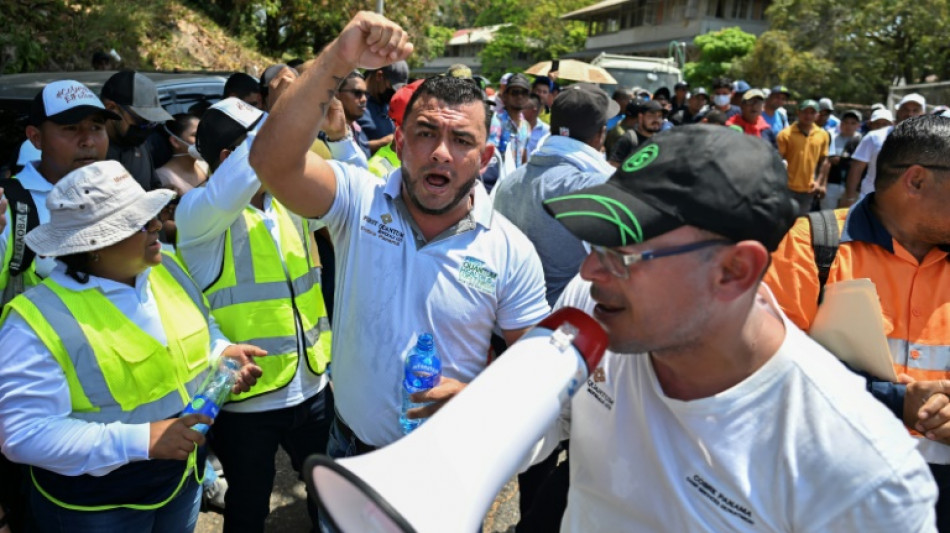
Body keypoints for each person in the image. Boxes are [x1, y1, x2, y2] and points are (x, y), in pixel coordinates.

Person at [536, 125, 938, 532]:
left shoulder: (861, 470)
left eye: (619, 254)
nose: (589, 271)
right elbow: (524, 427)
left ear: (735, 271)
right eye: (595, 244)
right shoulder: (594, 306)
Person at [248, 13, 549, 455]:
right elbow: (271, 162)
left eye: (462, 140)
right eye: (425, 133)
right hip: (349, 450)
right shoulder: (357, 199)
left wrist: (479, 401)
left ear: (485, 159)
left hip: (446, 466)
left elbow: (535, 376)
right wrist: (340, 57)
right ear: (400, 143)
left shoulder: (511, 251)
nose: (441, 152)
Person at [0, 160, 263, 532]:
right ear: (93, 243)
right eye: (139, 222)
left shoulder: (167, 268)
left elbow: (204, 329)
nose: (157, 224)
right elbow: (23, 434)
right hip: (95, 508)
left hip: (179, 484)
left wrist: (220, 354)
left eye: (153, 214)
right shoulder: (36, 319)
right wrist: (142, 440)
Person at [764, 114, 950, 531]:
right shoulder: (806, 247)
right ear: (916, 181)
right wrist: (895, 401)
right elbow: (764, 374)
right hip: (829, 489)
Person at [175, 97, 340, 532]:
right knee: (249, 508)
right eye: (268, 141)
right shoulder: (199, 215)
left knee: (332, 495)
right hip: (248, 403)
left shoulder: (289, 201)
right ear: (230, 160)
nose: (287, 148)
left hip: (312, 386)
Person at [1, 80, 119, 307]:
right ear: (36, 138)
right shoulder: (9, 206)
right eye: (71, 128)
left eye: (97, 127)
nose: (88, 141)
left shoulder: (119, 194)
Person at [840, 93, 926, 207]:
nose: (909, 114)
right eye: (905, 109)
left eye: (915, 110)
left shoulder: (929, 142)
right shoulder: (874, 137)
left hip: (908, 207)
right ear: (897, 111)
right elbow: (856, 168)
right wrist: (850, 198)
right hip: (872, 203)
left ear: (923, 114)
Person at [100, 70, 172, 191]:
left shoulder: (139, 146)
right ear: (111, 108)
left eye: (152, 121)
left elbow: (152, 187)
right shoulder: (91, 151)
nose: (146, 127)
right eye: (141, 120)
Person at [776, 99, 830, 216]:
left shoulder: (822, 135)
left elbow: (824, 160)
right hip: (787, 188)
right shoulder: (785, 134)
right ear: (798, 113)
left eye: (812, 112)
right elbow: (777, 160)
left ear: (817, 115)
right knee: (783, 221)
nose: (808, 116)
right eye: (805, 112)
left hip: (808, 189)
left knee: (800, 224)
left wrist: (819, 182)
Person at [357, 60, 409, 154]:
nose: (395, 94)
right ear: (379, 76)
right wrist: (380, 143)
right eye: (393, 88)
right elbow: (342, 145)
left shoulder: (388, 105)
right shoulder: (353, 103)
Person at [155, 113, 208, 195]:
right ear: (175, 141)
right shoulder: (162, 178)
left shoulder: (204, 165)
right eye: (195, 135)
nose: (203, 138)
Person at [489, 73, 532, 173]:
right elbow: (491, 155)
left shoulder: (526, 126)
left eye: (524, 92)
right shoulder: (496, 121)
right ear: (504, 96)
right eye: (515, 92)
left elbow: (524, 158)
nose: (520, 96)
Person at [820, 109, 862, 209]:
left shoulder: (862, 141)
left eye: (853, 123)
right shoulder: (831, 138)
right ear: (841, 124)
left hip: (851, 187)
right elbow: (825, 160)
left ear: (858, 126)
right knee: (828, 215)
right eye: (846, 122)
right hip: (832, 183)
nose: (849, 126)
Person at [608, 99, 662, 167]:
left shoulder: (660, 141)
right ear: (640, 117)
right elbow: (613, 165)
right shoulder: (628, 139)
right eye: (651, 116)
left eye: (660, 116)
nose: (656, 120)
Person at [334, 70, 372, 158]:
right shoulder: (321, 134)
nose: (364, 99)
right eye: (357, 93)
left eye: (366, 94)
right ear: (336, 95)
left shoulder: (359, 131)